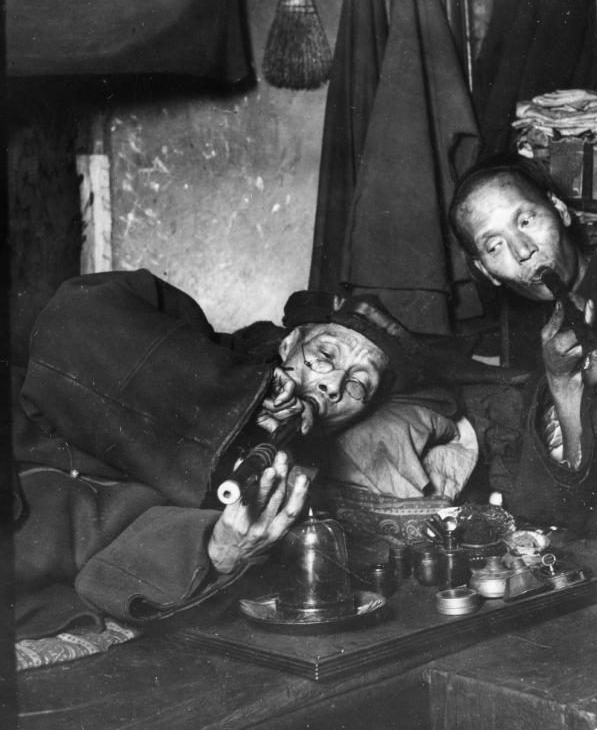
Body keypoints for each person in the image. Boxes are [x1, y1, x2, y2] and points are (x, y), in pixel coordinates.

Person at [12, 269, 411, 640]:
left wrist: (216, 551)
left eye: (359, 385)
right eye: (325, 356)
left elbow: (113, 564)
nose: (331, 385)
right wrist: (239, 395)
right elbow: (75, 314)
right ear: (288, 344)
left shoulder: (287, 479)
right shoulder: (200, 342)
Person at [449, 155, 597, 573]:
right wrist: (562, 382)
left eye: (526, 220)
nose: (523, 251)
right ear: (485, 271)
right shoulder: (539, 338)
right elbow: (553, 510)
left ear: (560, 210)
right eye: (494, 246)